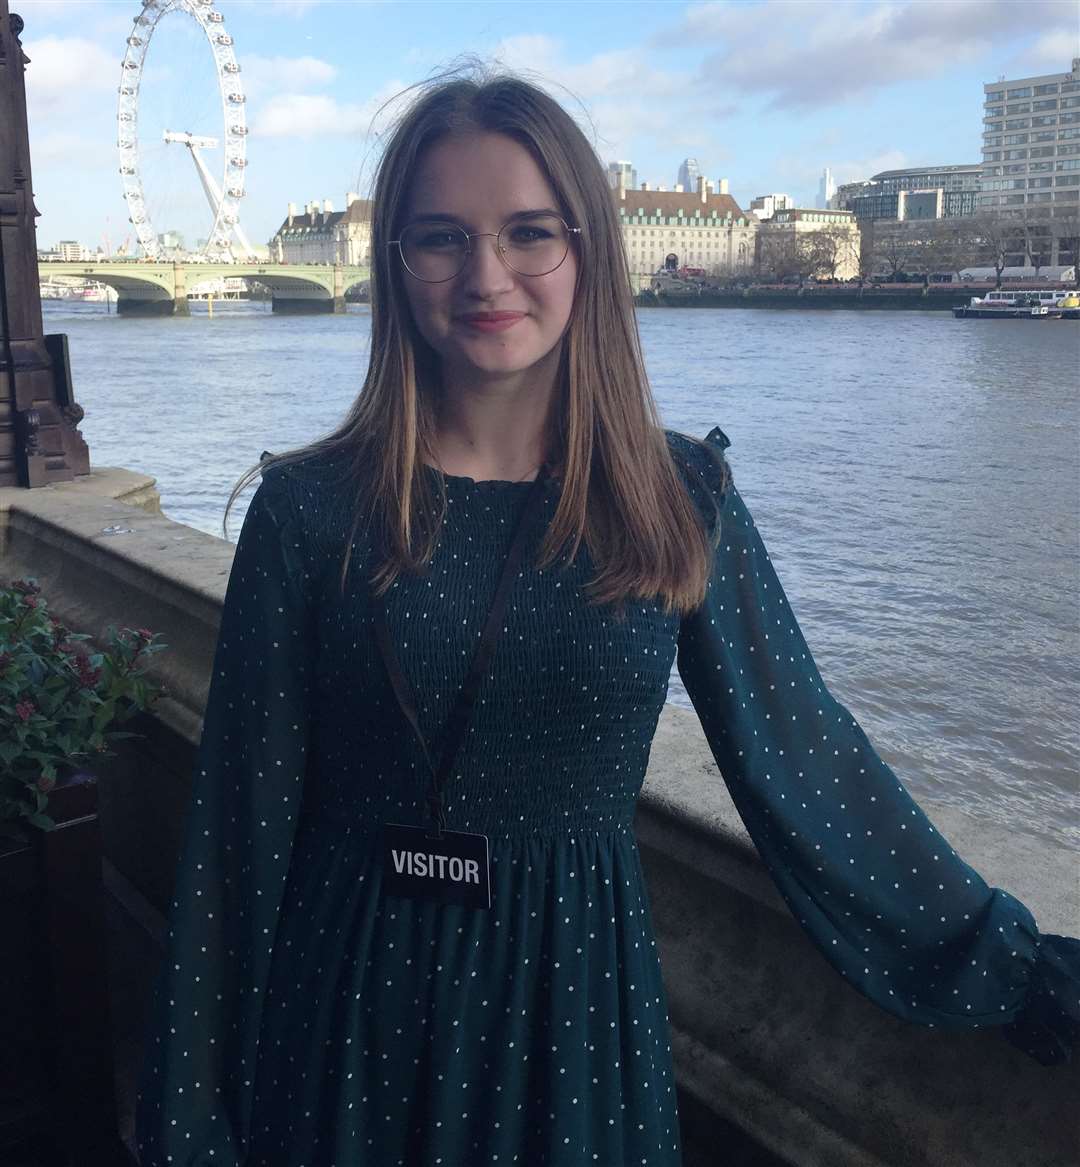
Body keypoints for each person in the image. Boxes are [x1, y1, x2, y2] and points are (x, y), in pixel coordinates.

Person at [134, 63, 1079, 1167]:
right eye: (441, 238)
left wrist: (1014, 968)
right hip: (347, 1001)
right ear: (397, 263)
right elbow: (236, 828)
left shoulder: (674, 500)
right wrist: (192, 1112)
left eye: (530, 232)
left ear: (588, 252)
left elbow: (806, 760)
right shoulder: (309, 512)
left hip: (569, 1008)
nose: (488, 274)